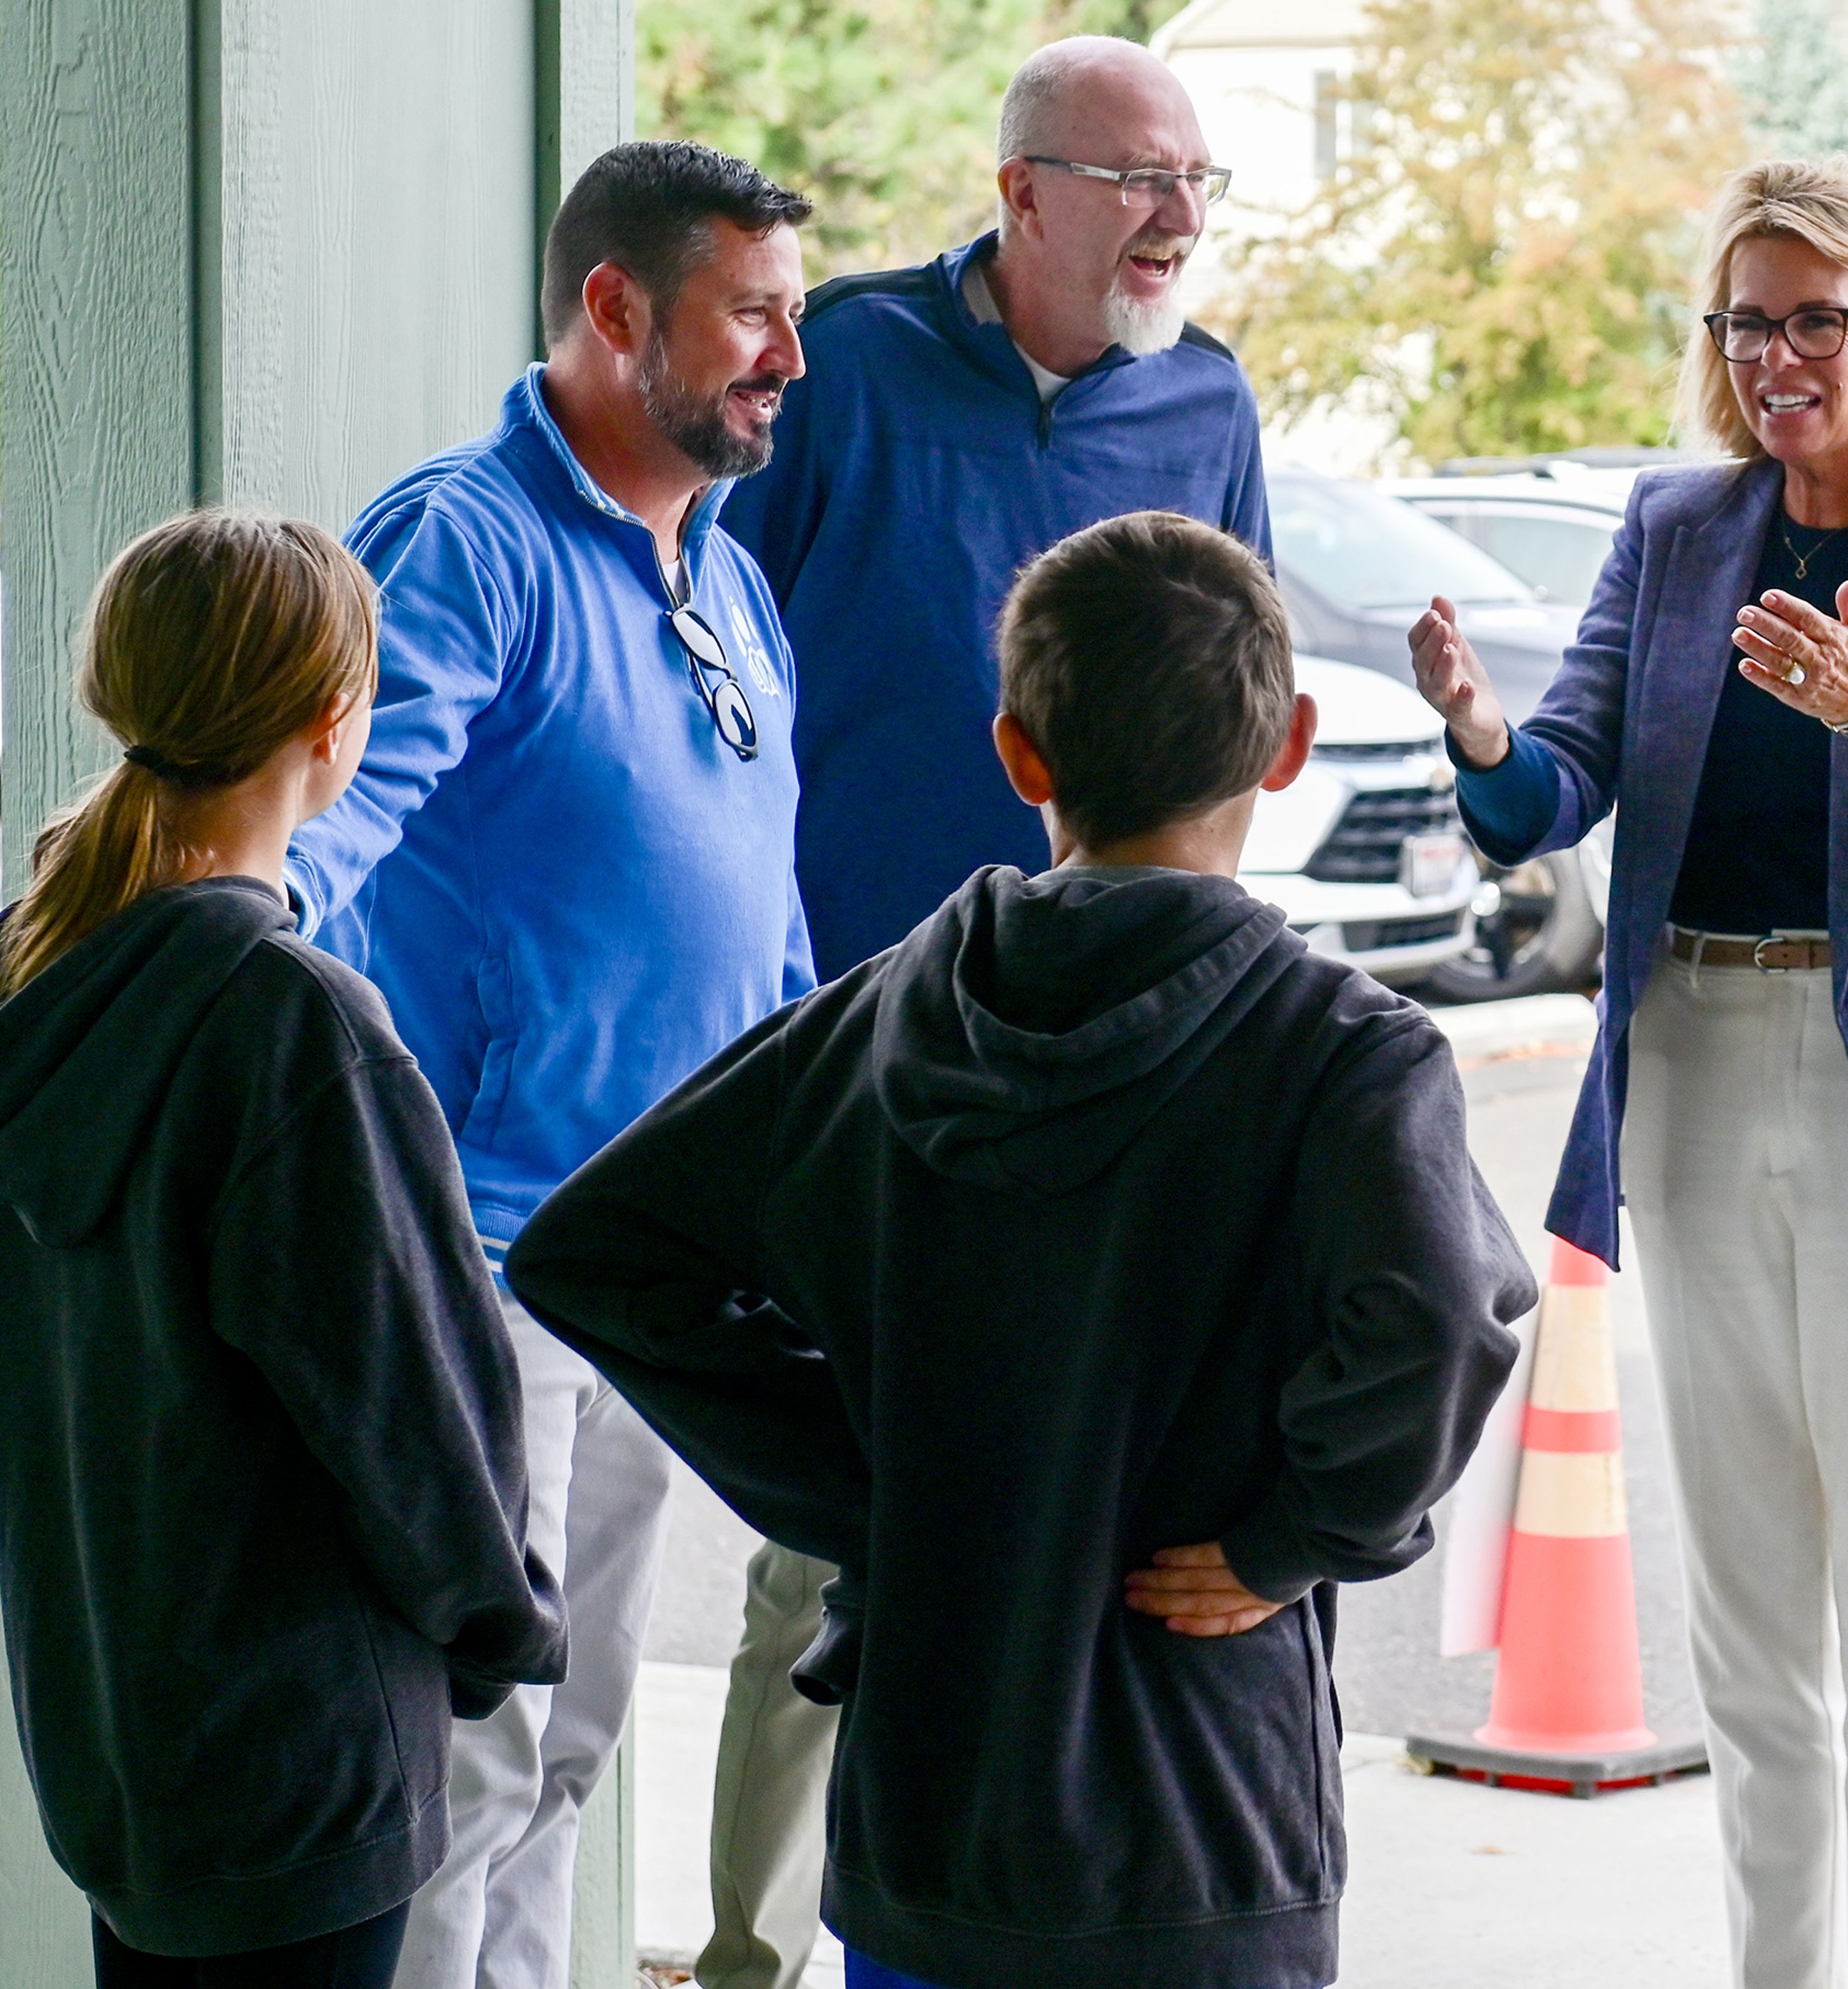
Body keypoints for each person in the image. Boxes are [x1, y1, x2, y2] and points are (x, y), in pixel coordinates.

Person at [505, 510, 1536, 1989]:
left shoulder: (880, 1020)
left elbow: (597, 1250)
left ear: (1018, 755)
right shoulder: (1340, 1055)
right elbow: (1444, 1318)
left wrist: (872, 1480)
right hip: (1204, 1828)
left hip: (935, 1817)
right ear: (1292, 743)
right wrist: (1294, 1536)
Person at [1408, 156, 1848, 1989]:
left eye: (1810, 317)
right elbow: (1557, 784)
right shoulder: (1678, 527)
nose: (1774, 354)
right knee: (1754, 1629)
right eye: (1743, 321)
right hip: (1696, 1071)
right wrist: (1480, 734)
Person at [707, 40, 1266, 1983]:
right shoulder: (842, 367)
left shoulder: (1207, 399)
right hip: (863, 1033)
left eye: (1198, 180)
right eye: (1137, 180)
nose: (1181, 218)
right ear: (1021, 192)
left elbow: (1231, 706)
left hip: (1124, 1046)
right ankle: (753, 1953)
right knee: (834, 1530)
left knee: (1081, 1504)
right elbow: (725, 656)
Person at [282, 141, 818, 1989]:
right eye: (750, 312)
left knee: (574, 1751)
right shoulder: (466, 538)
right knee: (470, 1755)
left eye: (794, 316)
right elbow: (319, 830)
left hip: (656, 1275)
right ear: (614, 308)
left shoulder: (728, 578)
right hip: (484, 1269)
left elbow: (766, 924)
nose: (787, 359)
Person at [0, 512, 567, 1988]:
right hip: (302, 1776)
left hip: (120, 1752)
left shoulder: (48, 982)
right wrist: (499, 1630)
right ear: (332, 725)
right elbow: (413, 1410)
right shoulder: (290, 1025)